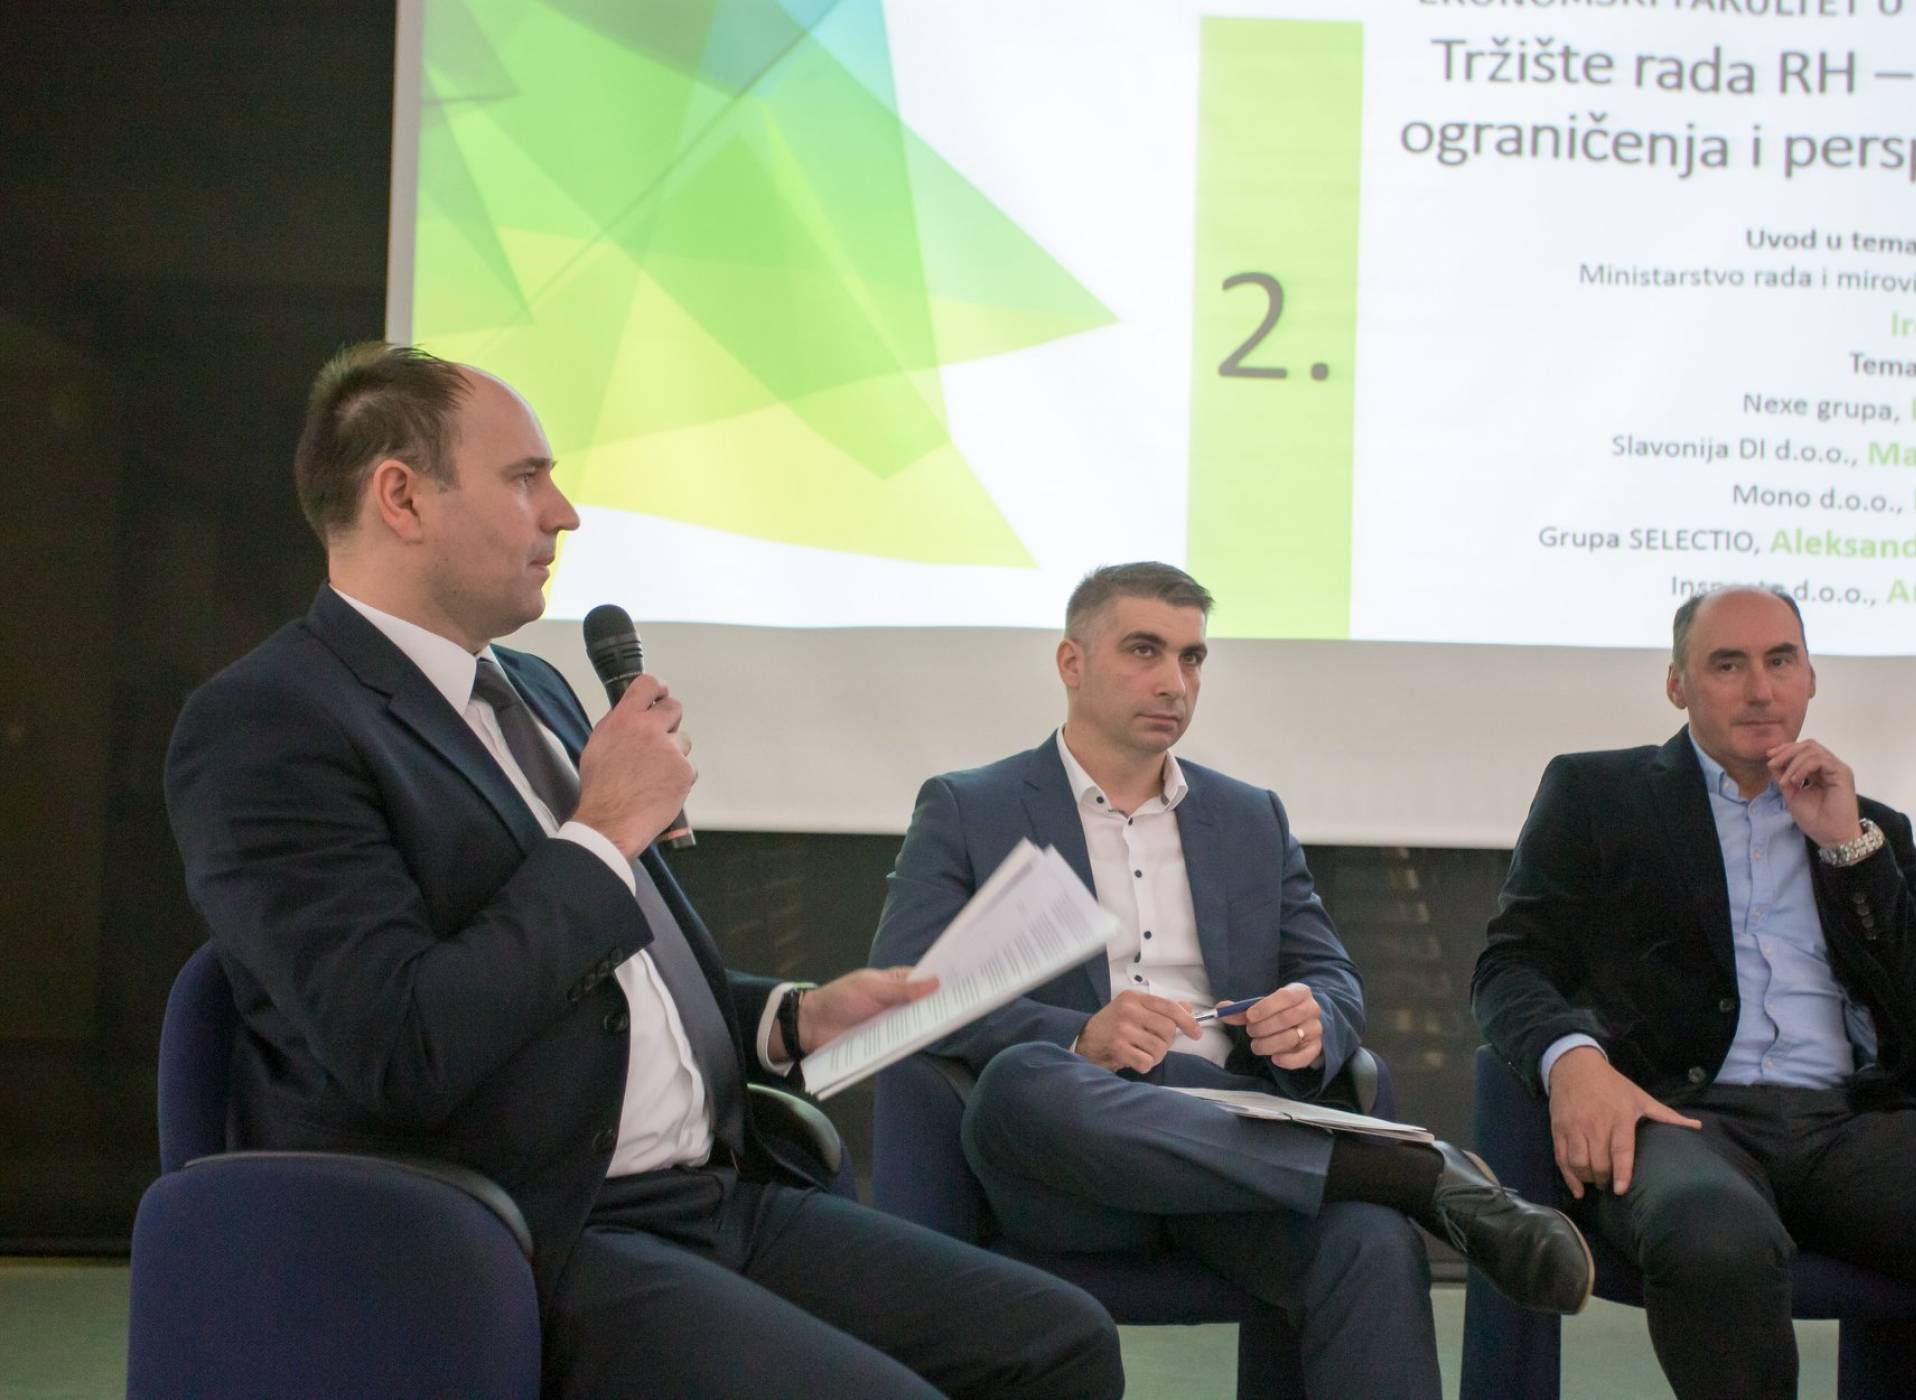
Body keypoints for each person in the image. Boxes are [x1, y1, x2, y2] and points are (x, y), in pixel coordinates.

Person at [163, 343, 1122, 1399]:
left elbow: (608, 985)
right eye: (525, 478)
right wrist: (604, 828)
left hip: (711, 1197)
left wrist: (789, 1019)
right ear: (402, 497)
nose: (564, 512)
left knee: (1061, 1340)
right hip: (528, 1231)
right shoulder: (271, 725)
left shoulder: (532, 687)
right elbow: (401, 1043)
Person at [870, 561, 1592, 1400]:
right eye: (1144, 650)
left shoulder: (1249, 816)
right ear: (1072, 662)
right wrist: (1080, 1034)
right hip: (1072, 1167)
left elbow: (1331, 977)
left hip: (1240, 1171)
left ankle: (1386, 1180)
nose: (1174, 682)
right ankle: (1409, 1172)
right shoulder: (971, 807)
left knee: (1369, 1244)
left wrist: (1315, 1017)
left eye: (1192, 658)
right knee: (1024, 1081)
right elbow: (901, 993)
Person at [1474, 584, 1916, 1400]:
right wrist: (1573, 1060)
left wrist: (1848, 850)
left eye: (1780, 661)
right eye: (1728, 665)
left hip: (1849, 1132)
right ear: (1678, 685)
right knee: (1716, 1235)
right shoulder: (1599, 795)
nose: (1761, 690)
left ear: (1810, 678)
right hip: (1682, 1122)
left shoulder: (1870, 827)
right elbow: (1510, 965)